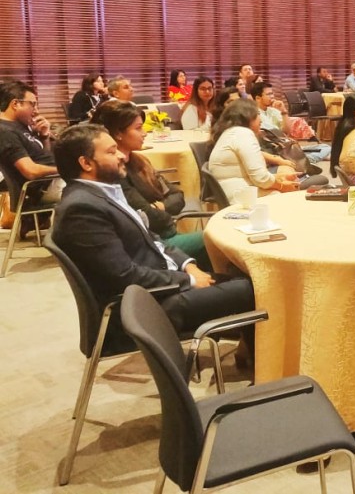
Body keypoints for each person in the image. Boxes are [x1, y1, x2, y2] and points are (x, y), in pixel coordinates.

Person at [50, 124, 255, 347]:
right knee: (256, 288)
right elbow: (124, 276)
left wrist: (188, 266)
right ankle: (259, 362)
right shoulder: (81, 209)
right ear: (86, 163)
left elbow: (153, 239)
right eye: (111, 151)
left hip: (161, 285)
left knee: (244, 276)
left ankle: (247, 351)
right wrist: (189, 281)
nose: (121, 156)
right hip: (145, 307)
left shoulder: (101, 193)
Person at [90, 100, 209, 267]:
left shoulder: (140, 161)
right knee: (217, 239)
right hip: (154, 245)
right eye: (138, 128)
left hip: (165, 236)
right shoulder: (116, 174)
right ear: (118, 133)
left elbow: (178, 195)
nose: (145, 133)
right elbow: (149, 218)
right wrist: (161, 209)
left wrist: (161, 206)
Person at [208, 99, 300, 203]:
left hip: (235, 191)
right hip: (240, 195)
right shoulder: (243, 134)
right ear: (248, 117)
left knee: (287, 177)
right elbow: (261, 178)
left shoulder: (233, 132)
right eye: (258, 114)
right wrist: (282, 186)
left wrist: (278, 178)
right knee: (292, 194)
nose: (261, 120)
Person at [0, 81, 64, 217]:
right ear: (15, 104)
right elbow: (31, 171)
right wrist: (67, 169)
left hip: (51, 181)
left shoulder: (20, 126)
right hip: (40, 187)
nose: (37, 110)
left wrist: (44, 136)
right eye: (32, 104)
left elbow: (43, 157)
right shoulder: (5, 131)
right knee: (98, 187)